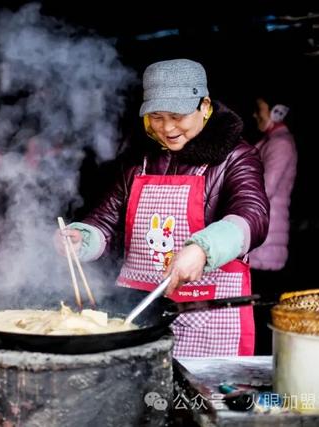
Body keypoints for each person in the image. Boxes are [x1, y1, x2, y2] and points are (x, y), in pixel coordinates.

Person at [56, 59, 269, 357]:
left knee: (198, 400)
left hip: (206, 313)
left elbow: (253, 215)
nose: (167, 127)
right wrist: (83, 238)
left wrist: (202, 249)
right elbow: (105, 221)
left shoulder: (236, 156)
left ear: (204, 105)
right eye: (156, 116)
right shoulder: (138, 160)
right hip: (139, 312)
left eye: (177, 115)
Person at [248, 93, 297, 354]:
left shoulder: (280, 144)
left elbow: (263, 190)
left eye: (260, 110)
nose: (256, 115)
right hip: (262, 242)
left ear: (277, 111)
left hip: (267, 245)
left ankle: (263, 379)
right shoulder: (269, 141)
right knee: (258, 314)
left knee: (262, 316)